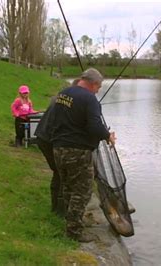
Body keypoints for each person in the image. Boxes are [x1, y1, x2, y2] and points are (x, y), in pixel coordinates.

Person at [51, 69, 116, 242]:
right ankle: (74, 232)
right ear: (93, 83)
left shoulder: (63, 94)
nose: (98, 90)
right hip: (78, 151)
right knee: (83, 191)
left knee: (68, 187)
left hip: (58, 148)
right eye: (99, 87)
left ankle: (71, 221)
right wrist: (107, 135)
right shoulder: (89, 99)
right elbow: (94, 126)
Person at [34, 79, 80, 217]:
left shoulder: (60, 98)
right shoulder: (70, 103)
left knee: (58, 172)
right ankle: (60, 210)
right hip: (48, 140)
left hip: (42, 137)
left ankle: (57, 207)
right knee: (62, 173)